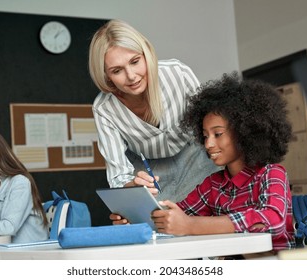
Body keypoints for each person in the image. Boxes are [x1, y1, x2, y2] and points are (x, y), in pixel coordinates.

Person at [112, 72, 295, 252]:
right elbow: (175, 216)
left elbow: (272, 220)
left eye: (218, 134)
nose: (208, 144)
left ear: (245, 132)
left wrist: (191, 225)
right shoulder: (213, 185)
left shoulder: (271, 174)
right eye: (205, 136)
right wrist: (134, 217)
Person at [89, 19, 219, 202]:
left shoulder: (178, 74)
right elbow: (119, 176)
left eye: (135, 61)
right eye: (117, 70)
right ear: (106, 76)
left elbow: (213, 123)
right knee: (159, 226)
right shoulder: (104, 109)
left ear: (146, 54)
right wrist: (133, 187)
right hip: (150, 175)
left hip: (196, 159)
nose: (131, 76)